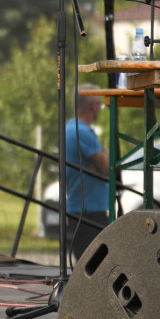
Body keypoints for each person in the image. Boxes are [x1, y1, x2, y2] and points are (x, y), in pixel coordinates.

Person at [66, 84, 109, 259]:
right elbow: (108, 167)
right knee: (95, 263)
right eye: (100, 105)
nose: (100, 109)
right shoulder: (82, 132)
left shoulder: (72, 128)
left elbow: (103, 163)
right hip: (89, 209)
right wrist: (102, 162)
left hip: (82, 206)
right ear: (92, 105)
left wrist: (98, 164)